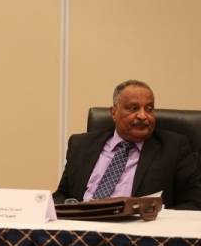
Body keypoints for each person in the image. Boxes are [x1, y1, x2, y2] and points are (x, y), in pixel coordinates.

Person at [54, 79, 201, 210]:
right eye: (133, 108)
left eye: (149, 109)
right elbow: (61, 195)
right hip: (82, 225)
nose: (143, 116)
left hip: (139, 228)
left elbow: (193, 203)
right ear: (114, 113)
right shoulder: (81, 145)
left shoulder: (173, 148)